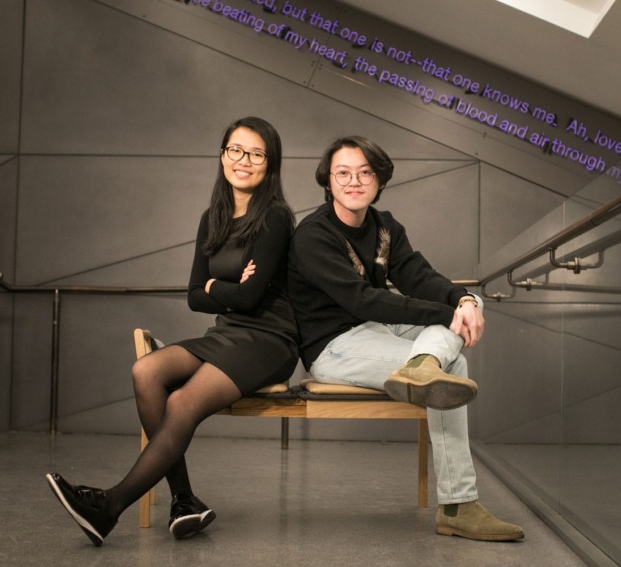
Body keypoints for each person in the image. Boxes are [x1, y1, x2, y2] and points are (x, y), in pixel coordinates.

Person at [46, 116, 299, 546]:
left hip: (269, 339)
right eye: (236, 150)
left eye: (257, 154)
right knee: (146, 371)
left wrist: (216, 286)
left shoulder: (275, 217)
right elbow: (193, 297)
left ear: (269, 164)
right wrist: (228, 288)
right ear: (222, 155)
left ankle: (109, 505)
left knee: (181, 399)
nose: (244, 161)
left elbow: (250, 298)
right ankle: (185, 500)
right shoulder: (213, 217)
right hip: (227, 332)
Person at [287, 135, 524, 541]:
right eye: (342, 173)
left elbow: (419, 276)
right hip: (333, 346)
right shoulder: (313, 235)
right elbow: (362, 301)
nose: (354, 181)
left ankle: (422, 366)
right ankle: (457, 506)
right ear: (328, 181)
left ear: (380, 180)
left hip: (378, 330)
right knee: (455, 360)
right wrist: (449, 312)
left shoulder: (385, 227)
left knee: (473, 304)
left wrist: (463, 300)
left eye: (365, 172)